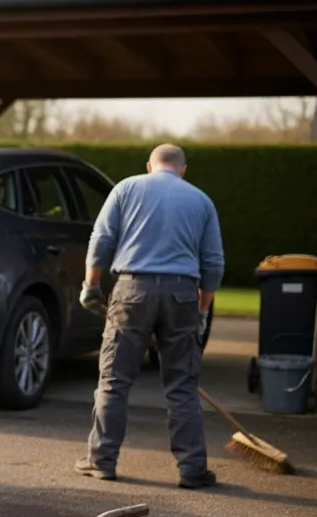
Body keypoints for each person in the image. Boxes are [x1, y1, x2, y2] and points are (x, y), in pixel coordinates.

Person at [76, 143, 224, 489]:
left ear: (149, 166)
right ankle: (192, 470)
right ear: (182, 169)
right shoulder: (201, 200)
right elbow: (214, 263)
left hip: (132, 290)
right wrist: (202, 310)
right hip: (182, 294)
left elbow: (101, 240)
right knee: (182, 387)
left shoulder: (126, 189)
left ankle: (101, 461)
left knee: (114, 381)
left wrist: (91, 286)